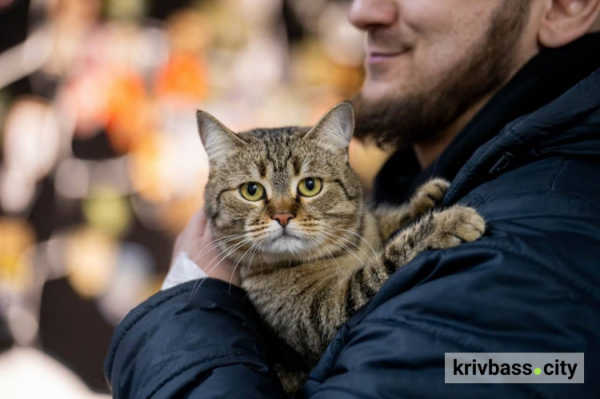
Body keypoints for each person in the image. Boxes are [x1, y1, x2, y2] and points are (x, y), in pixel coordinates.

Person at [105, 0, 600, 397]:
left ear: (566, 6)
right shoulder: (491, 190)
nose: (361, 11)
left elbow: (528, 366)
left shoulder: (534, 263)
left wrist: (186, 313)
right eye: (253, 192)